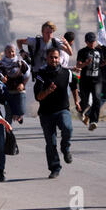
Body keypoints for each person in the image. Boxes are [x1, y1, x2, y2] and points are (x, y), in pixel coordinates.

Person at [34, 48, 80, 179]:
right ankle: (55, 168)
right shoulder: (41, 75)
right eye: (51, 57)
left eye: (56, 57)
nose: (54, 60)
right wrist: (47, 91)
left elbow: (74, 86)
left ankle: (65, 148)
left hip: (62, 110)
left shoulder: (66, 73)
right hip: (46, 113)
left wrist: (76, 101)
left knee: (68, 127)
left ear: (59, 58)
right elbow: (38, 97)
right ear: (46, 59)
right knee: (51, 143)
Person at [76, 32, 106, 131]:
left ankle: (93, 121)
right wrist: (85, 63)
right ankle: (80, 110)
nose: (92, 43)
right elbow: (78, 65)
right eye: (90, 42)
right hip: (85, 80)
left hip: (97, 80)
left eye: (93, 41)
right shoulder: (82, 52)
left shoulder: (99, 51)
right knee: (86, 101)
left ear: (95, 41)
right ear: (86, 42)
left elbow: (102, 64)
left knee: (97, 100)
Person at [0, 44, 30, 125]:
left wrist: (23, 84)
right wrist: (1, 79)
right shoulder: (1, 64)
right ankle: (8, 132)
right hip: (8, 92)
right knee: (8, 114)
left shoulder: (20, 62)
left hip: (20, 91)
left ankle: (19, 115)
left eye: (13, 51)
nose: (11, 53)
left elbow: (27, 74)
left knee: (21, 110)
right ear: (5, 53)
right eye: (9, 52)